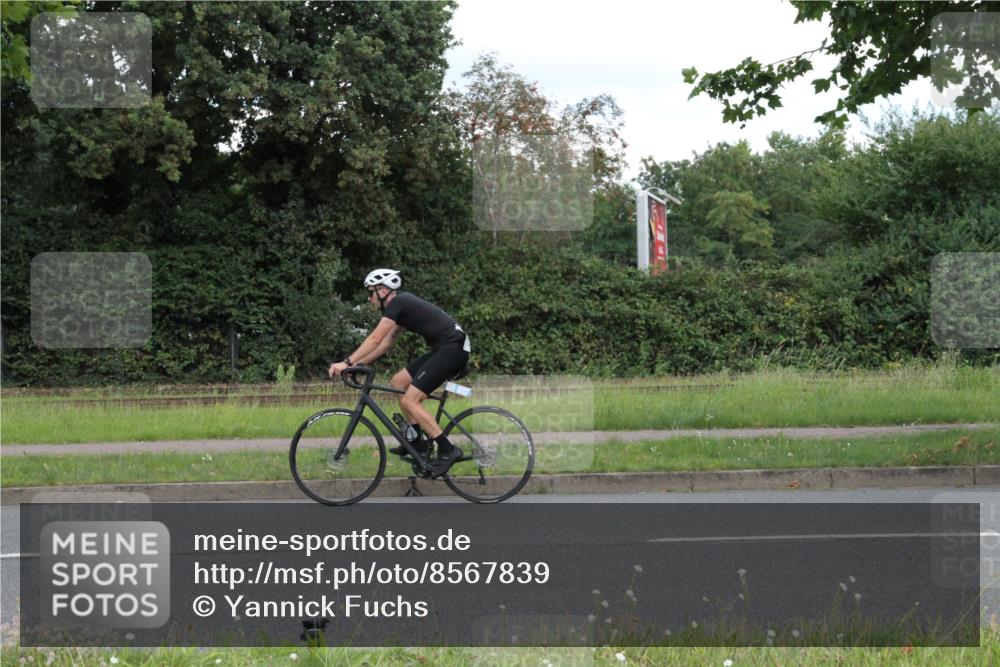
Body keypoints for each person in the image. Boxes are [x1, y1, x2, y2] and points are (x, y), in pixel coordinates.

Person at [328, 268, 470, 477]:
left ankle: (448, 450)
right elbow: (384, 344)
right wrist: (355, 365)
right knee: (398, 382)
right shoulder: (402, 308)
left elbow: (374, 339)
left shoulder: (398, 303)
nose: (369, 299)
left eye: (371, 293)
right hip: (445, 348)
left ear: (383, 290)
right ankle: (416, 442)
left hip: (452, 349)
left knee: (410, 400)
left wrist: (346, 362)